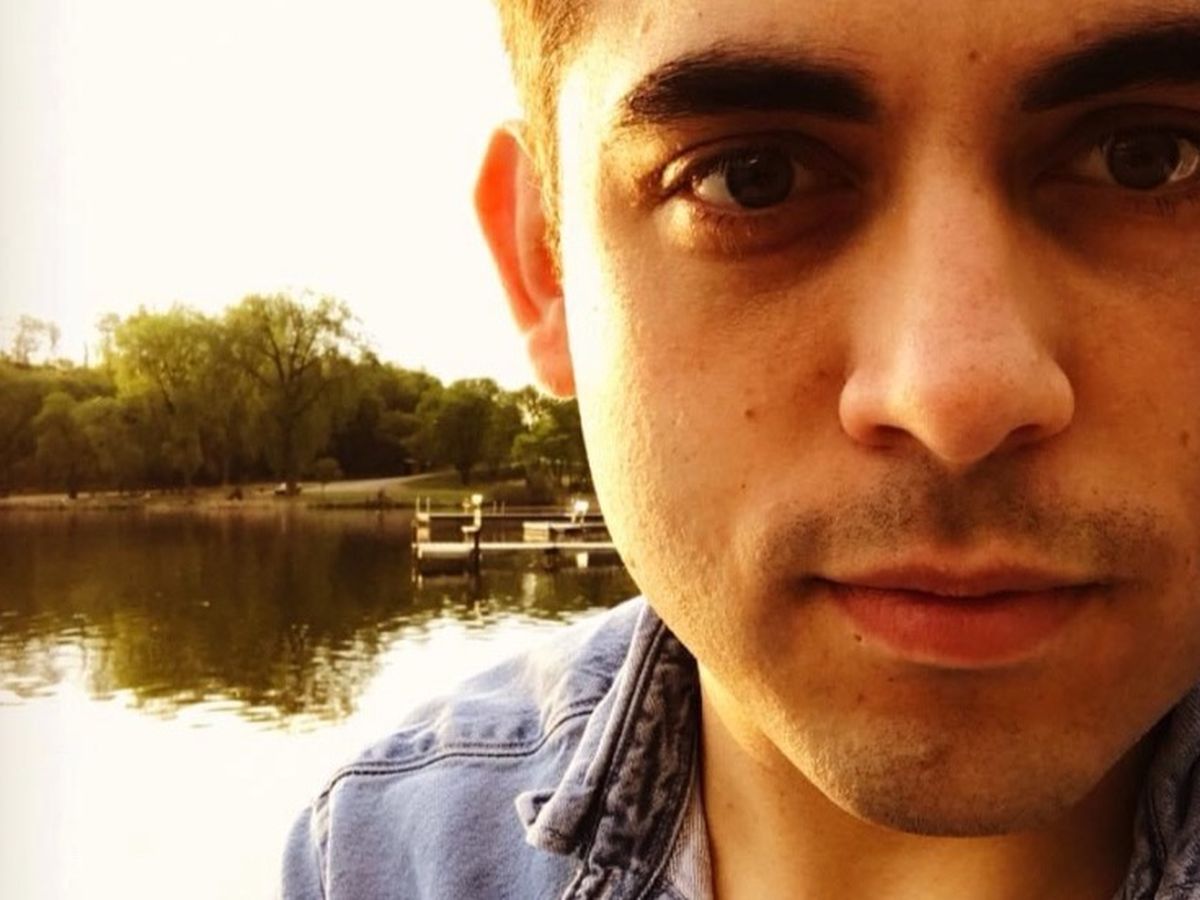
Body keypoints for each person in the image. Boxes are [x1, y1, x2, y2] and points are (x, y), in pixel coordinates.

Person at [281, 0, 1200, 896]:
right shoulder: (381, 858)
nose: (953, 400)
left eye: (1148, 159)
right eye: (753, 178)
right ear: (545, 267)